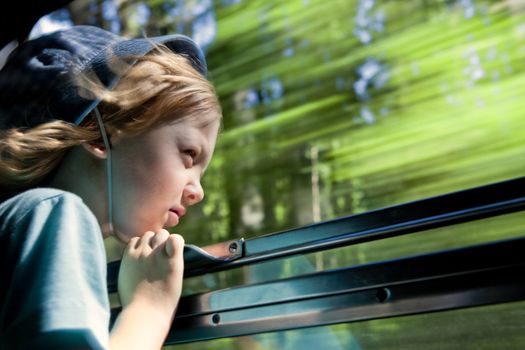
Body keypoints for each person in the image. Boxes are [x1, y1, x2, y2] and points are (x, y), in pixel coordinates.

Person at [0, 25, 221, 349]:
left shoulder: (22, 221)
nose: (197, 192)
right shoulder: (56, 214)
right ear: (101, 129)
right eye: (188, 154)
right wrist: (150, 309)